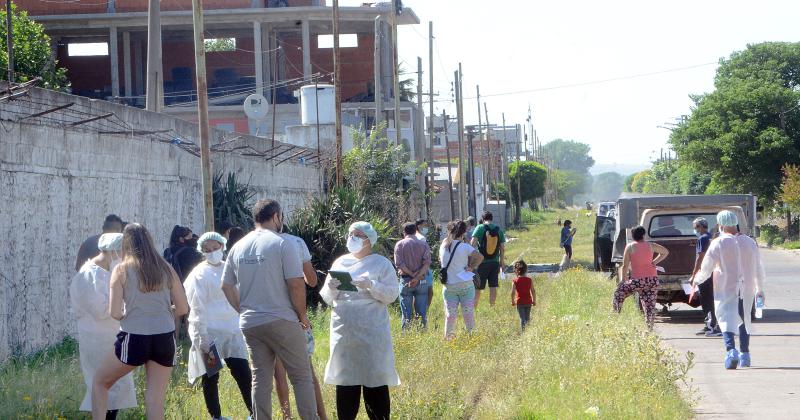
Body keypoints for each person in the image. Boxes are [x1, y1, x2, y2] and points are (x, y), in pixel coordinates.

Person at [221, 199, 317, 419]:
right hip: (283, 319)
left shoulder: (238, 246)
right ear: (276, 217)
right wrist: (302, 316)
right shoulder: (283, 243)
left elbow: (226, 285)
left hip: (251, 323)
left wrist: (243, 310)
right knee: (301, 377)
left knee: (260, 380)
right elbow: (296, 283)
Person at [91, 223, 189, 420]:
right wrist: (165, 312)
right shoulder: (166, 267)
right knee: (154, 400)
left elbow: (115, 313)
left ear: (125, 244)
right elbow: (182, 309)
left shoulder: (121, 270)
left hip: (134, 337)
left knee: (100, 383)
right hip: (164, 338)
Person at [320, 221, 400, 420]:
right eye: (350, 234)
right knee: (346, 382)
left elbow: (391, 295)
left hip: (371, 332)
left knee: (374, 381)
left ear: (369, 240)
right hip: (344, 332)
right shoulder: (339, 263)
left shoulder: (381, 263)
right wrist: (331, 286)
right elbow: (327, 298)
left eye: (357, 235)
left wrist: (372, 285)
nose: (352, 238)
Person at [184, 232, 253, 420]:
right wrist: (201, 336)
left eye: (215, 248)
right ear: (202, 251)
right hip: (210, 332)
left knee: (243, 373)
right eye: (207, 250)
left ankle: (255, 412)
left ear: (223, 246)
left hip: (233, 330)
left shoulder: (231, 267)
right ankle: (216, 416)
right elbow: (196, 307)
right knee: (211, 376)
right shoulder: (199, 274)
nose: (212, 252)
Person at [71, 233, 137, 419]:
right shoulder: (87, 275)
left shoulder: (108, 272)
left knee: (116, 390)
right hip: (97, 342)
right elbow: (100, 310)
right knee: (103, 389)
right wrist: (125, 306)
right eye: (122, 252)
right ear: (112, 251)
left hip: (113, 339)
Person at [691, 210, 766, 370]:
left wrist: (696, 280)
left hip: (726, 287)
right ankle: (745, 355)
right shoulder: (750, 242)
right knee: (745, 318)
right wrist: (760, 288)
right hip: (747, 288)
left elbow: (706, 268)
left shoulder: (717, 243)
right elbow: (758, 267)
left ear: (720, 224)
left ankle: (731, 351)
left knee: (725, 319)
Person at [274, 225, 328, 420]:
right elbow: (311, 281)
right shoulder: (296, 242)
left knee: (279, 374)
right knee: (307, 372)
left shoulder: (257, 244)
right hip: (296, 314)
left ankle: (286, 417)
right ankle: (321, 416)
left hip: (271, 314)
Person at [612, 226, 670, 329]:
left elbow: (625, 265)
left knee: (618, 294)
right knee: (649, 306)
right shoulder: (651, 245)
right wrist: (655, 262)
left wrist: (623, 280)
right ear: (644, 234)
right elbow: (665, 252)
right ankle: (649, 329)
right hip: (652, 280)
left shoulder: (630, 247)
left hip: (637, 281)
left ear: (633, 236)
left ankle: (615, 317)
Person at [439, 220, 483, 340]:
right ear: (463, 232)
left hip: (449, 287)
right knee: (468, 315)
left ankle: (449, 338)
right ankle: (471, 337)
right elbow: (480, 257)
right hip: (465, 286)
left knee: (450, 316)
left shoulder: (444, 245)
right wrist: (471, 267)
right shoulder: (465, 247)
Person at [394, 222, 432, 329]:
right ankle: (422, 331)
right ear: (416, 230)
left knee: (406, 313)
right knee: (421, 312)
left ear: (404, 232)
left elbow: (399, 264)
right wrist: (417, 277)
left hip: (406, 280)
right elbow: (427, 263)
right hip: (421, 281)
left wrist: (411, 275)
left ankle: (407, 334)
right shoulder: (424, 244)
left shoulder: (400, 244)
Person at [691, 217, 722, 337]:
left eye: (696, 227)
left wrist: (694, 275)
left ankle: (710, 325)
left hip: (704, 273)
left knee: (706, 300)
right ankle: (713, 324)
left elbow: (700, 258)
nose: (695, 230)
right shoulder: (712, 237)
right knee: (712, 299)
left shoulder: (702, 239)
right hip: (714, 272)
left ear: (701, 227)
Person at [471, 211, 506, 307]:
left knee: (477, 287)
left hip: (482, 263)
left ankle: (474, 307)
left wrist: (472, 260)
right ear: (492, 218)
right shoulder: (498, 230)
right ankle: (492, 306)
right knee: (493, 286)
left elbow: (472, 245)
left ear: (482, 219)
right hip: (495, 263)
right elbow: (502, 248)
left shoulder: (480, 228)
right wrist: (501, 262)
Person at [414, 218, 435, 315]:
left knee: (417, 294)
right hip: (424, 269)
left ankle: (418, 313)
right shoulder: (421, 238)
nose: (426, 227)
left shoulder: (413, 236)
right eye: (425, 225)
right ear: (419, 226)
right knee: (429, 292)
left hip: (416, 268)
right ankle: (424, 311)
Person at [511, 259, 535, 330]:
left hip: (520, 302)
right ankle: (528, 332)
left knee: (522, 318)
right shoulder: (529, 280)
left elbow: (512, 292)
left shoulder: (515, 280)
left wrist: (512, 301)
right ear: (526, 270)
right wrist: (534, 300)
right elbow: (533, 291)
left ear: (516, 270)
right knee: (527, 318)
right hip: (528, 302)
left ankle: (523, 331)